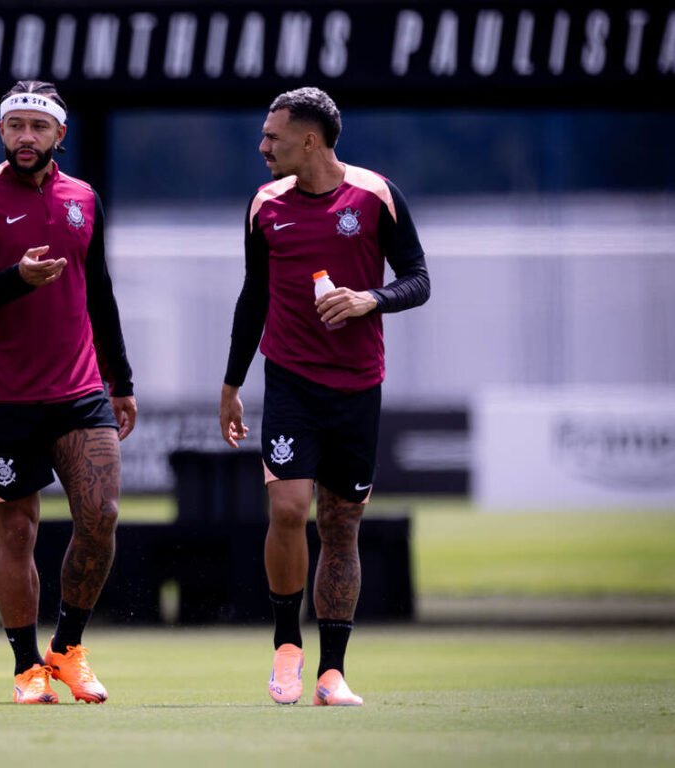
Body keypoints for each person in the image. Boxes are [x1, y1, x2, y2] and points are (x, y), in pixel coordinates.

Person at [219, 87, 430, 706]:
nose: (262, 147)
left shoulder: (375, 196)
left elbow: (418, 279)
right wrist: (232, 384)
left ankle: (332, 672)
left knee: (340, 528)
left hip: (358, 388)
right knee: (287, 509)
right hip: (289, 382)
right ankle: (287, 649)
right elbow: (252, 296)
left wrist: (372, 298)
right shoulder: (265, 205)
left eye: (272, 137)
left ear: (310, 140)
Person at [0, 80, 137, 705]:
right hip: (1, 397)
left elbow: (98, 290)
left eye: (39, 127)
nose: (27, 137)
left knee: (101, 516)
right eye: (16, 126)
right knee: (17, 531)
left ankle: (67, 650)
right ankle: (27, 667)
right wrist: (18, 279)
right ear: (2, 132)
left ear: (60, 133)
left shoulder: (83, 198)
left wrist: (122, 379)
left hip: (80, 391)